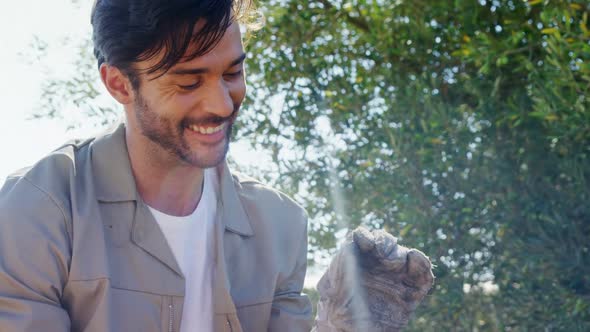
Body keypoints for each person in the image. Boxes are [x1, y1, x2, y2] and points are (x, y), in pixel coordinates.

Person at [0, 0, 434, 331]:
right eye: (189, 81)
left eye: (232, 74)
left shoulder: (279, 223)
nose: (222, 104)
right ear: (119, 83)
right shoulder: (38, 212)